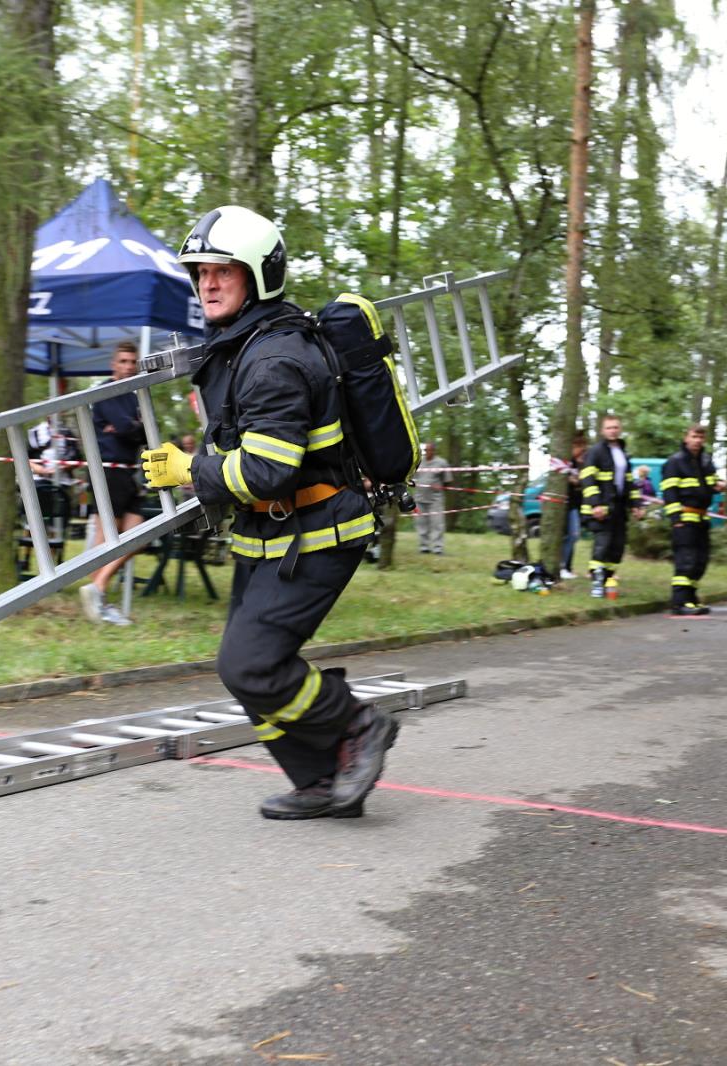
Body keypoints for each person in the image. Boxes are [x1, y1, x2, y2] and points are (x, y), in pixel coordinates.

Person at [140, 204, 397, 820]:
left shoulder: (274, 358)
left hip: (320, 528)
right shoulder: (242, 346)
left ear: (259, 275)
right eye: (200, 272)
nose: (207, 283)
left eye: (223, 271)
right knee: (248, 668)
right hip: (272, 532)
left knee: (249, 664)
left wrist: (187, 470)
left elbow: (266, 470)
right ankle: (318, 780)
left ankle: (359, 724)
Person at [78, 341, 147, 626]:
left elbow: (140, 432)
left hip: (128, 472)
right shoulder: (106, 392)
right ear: (113, 364)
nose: (128, 367)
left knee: (139, 532)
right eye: (123, 361)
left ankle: (97, 589)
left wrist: (131, 427)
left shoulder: (136, 394)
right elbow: (127, 427)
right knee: (106, 536)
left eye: (132, 362)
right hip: (107, 470)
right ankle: (99, 601)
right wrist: (130, 426)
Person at [578, 415, 645, 599]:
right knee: (603, 545)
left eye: (615, 427)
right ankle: (596, 583)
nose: (612, 431)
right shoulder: (596, 451)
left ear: (620, 429)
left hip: (619, 509)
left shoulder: (623, 452)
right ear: (602, 430)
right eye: (609, 428)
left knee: (617, 547)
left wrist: (636, 504)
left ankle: (608, 580)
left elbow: (629, 482)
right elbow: (588, 479)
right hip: (601, 509)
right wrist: (595, 504)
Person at [661, 423, 723, 616]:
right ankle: (679, 602)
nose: (697, 441)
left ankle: (691, 598)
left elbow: (710, 483)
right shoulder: (675, 461)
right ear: (686, 437)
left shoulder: (705, 460)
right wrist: (675, 518)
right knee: (686, 560)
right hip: (685, 517)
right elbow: (669, 491)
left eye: (701, 437)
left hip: (701, 517)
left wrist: (718, 485)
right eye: (694, 437)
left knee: (700, 560)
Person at [414, 441, 452, 555]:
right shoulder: (419, 462)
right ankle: (424, 546)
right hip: (420, 498)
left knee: (437, 523)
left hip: (436, 499)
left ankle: (438, 547)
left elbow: (448, 480)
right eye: (425, 450)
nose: (427, 452)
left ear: (434, 451)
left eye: (429, 450)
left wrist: (441, 486)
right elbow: (413, 478)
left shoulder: (442, 463)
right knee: (421, 522)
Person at [561, 433, 588, 579]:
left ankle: (568, 567)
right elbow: (571, 480)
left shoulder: (581, 463)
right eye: (578, 446)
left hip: (577, 505)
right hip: (566, 504)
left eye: (583, 446)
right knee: (572, 535)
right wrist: (575, 480)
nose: (582, 449)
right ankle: (562, 566)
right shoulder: (566, 462)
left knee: (573, 536)